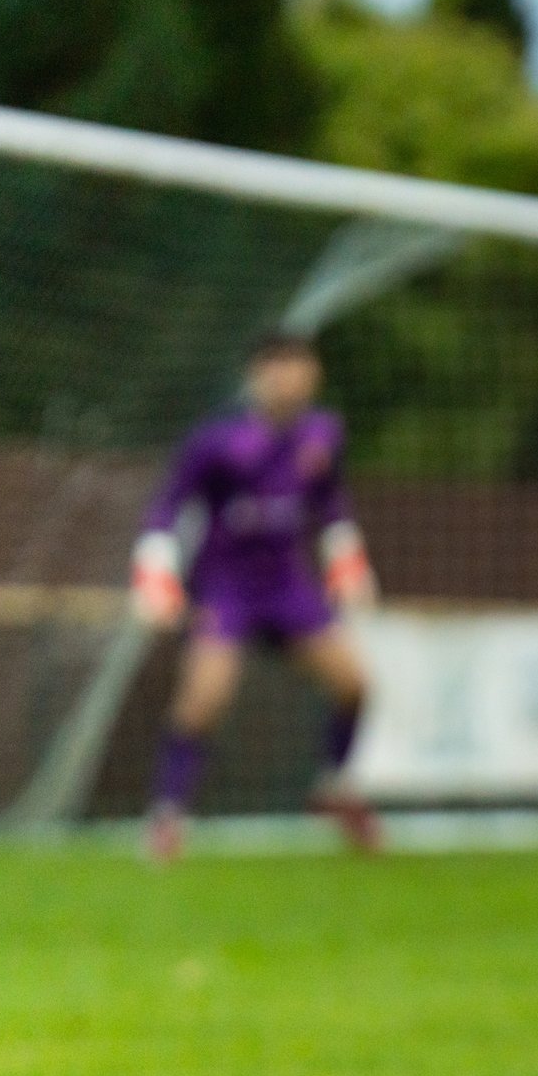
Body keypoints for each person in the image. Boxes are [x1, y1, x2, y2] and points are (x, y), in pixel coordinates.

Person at [131, 332, 380, 861]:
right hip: (227, 586)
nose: (290, 379)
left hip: (288, 586)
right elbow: (168, 505)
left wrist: (347, 558)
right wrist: (155, 571)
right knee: (202, 702)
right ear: (256, 377)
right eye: (278, 367)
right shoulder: (216, 442)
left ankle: (335, 788)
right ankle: (167, 816)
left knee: (355, 686)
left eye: (300, 367)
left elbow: (330, 502)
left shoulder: (323, 434)